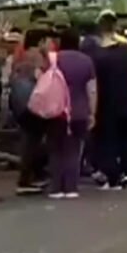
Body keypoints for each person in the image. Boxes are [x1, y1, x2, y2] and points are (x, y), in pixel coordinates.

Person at [90, 11, 127, 190]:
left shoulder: (97, 55)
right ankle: (126, 172)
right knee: (126, 140)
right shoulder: (126, 50)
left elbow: (94, 83)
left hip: (107, 104)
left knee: (108, 141)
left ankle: (113, 178)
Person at [45, 29, 97, 199]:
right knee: (74, 150)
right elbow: (92, 89)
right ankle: (71, 187)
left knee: (55, 149)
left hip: (56, 110)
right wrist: (93, 112)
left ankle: (56, 188)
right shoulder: (86, 61)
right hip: (79, 110)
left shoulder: (53, 59)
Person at [10, 29, 50, 195]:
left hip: (17, 101)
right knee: (34, 140)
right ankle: (27, 178)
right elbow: (43, 78)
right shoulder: (37, 57)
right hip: (32, 101)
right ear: (40, 41)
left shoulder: (20, 56)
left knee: (29, 138)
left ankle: (30, 175)